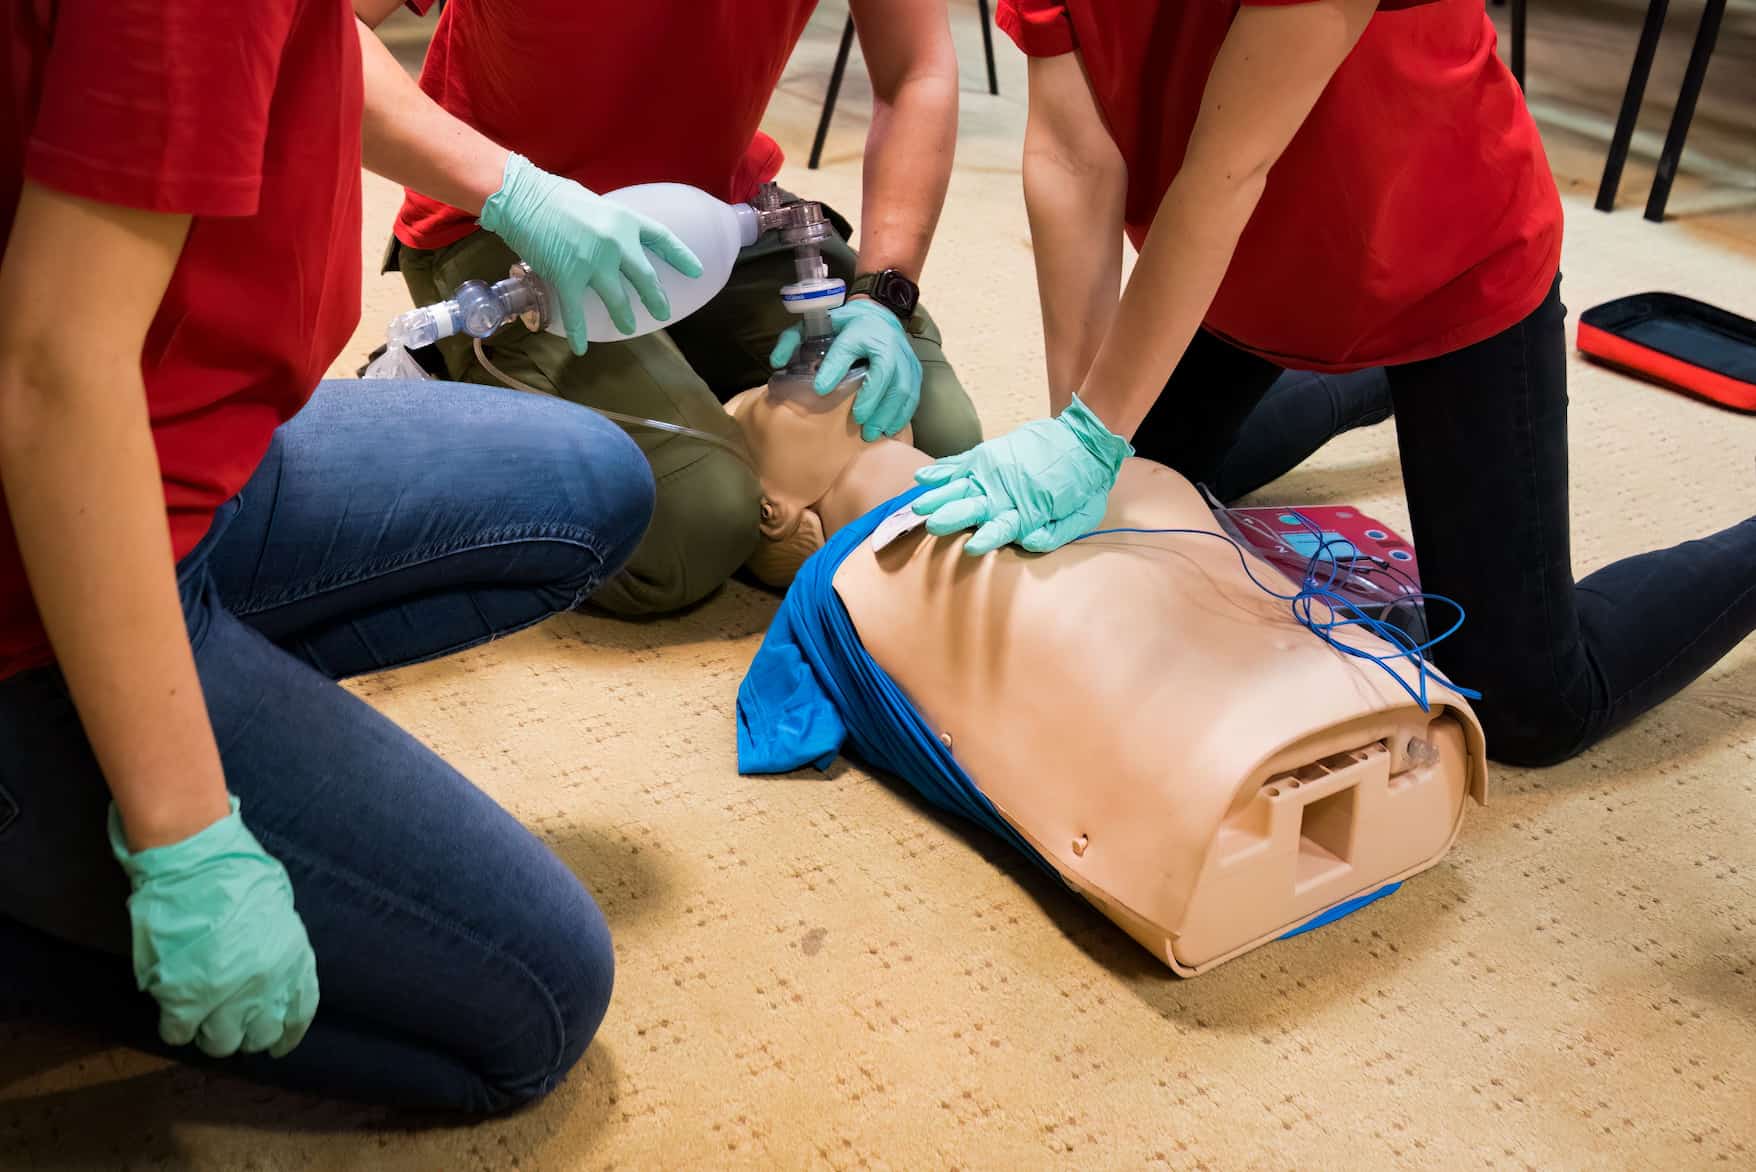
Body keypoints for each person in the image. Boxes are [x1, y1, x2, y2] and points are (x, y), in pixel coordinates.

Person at [0, 0, 713, 1112]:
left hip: (202, 453)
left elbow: (306, 38)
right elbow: (50, 379)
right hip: (43, 558)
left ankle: (194, 718)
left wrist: (515, 190)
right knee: (535, 1003)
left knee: (592, 484)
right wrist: (186, 835)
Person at [912, 0, 1756, 766]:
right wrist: (1082, 432)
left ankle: (1416, 376)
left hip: (1447, 273)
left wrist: (1097, 434)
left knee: (1530, 705)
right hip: (1229, 277)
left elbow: (1229, 167)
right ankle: (1371, 382)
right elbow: (1072, 157)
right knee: (1141, 488)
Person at [726, 377, 1485, 975]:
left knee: (1160, 504)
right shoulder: (838, 588)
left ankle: (1375, 380)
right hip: (1214, 805)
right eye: (762, 396)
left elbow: (786, 722)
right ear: (776, 515)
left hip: (1312, 732)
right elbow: (783, 722)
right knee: (1070, 617)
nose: (796, 374)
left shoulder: (1067, 470)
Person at [388, 0, 983, 616]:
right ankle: (443, 375)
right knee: (694, 527)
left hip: (714, 215)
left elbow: (916, 70)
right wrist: (517, 194)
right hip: (510, 227)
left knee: (942, 443)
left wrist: (882, 295)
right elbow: (316, 30)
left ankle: (686, 390)